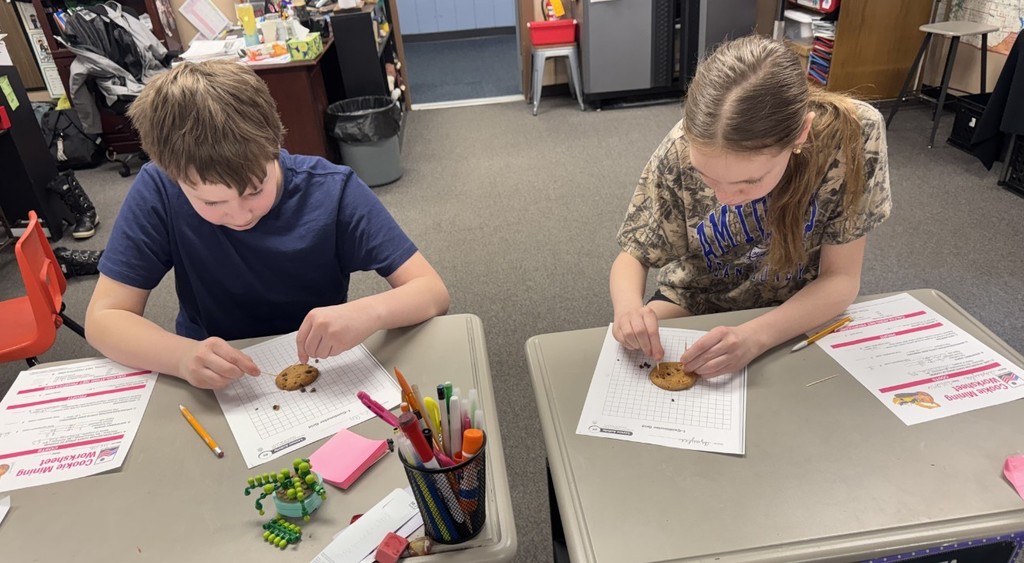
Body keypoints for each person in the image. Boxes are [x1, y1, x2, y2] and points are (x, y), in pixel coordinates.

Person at [85, 60, 449, 390]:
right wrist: (179, 356)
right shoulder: (159, 189)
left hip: (322, 366)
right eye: (211, 202)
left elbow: (431, 291)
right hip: (212, 373)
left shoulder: (333, 191)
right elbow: (105, 319)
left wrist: (369, 312)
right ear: (173, 176)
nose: (241, 215)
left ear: (275, 144)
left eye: (255, 189)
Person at [610, 35, 891, 378]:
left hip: (797, 305)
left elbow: (842, 278)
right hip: (697, 298)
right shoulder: (681, 146)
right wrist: (627, 310)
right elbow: (634, 254)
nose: (726, 198)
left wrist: (755, 337)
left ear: (801, 134)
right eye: (708, 178)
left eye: (750, 182)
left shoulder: (854, 136)